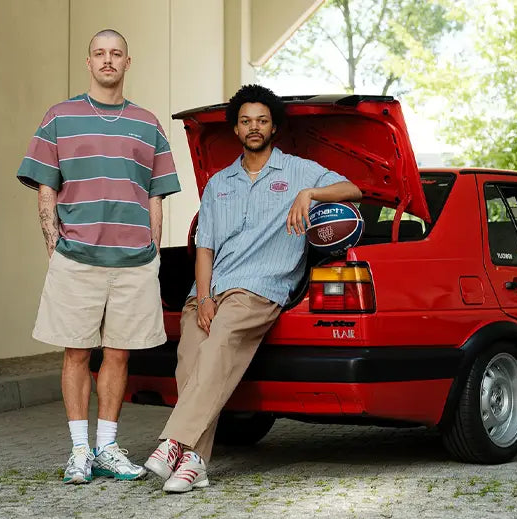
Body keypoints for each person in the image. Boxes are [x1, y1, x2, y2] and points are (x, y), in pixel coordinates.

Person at [143, 84, 362, 493]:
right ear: (236, 129)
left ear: (274, 127)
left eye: (262, 120)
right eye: (246, 121)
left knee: (220, 342)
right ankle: (195, 463)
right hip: (211, 286)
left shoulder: (300, 171)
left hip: (261, 286)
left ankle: (172, 442)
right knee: (191, 358)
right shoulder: (218, 184)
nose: (254, 127)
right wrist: (204, 297)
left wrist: (310, 193)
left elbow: (354, 189)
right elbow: (203, 246)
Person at [17, 29, 180, 484]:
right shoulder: (59, 117)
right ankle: (78, 452)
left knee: (119, 355)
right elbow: (46, 186)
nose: (108, 60)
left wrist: (153, 255)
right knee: (75, 353)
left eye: (116, 54)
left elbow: (155, 196)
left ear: (128, 62)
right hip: (76, 258)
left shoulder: (148, 123)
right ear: (88, 62)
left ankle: (106, 447)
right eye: (99, 54)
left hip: (133, 262)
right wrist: (54, 247)